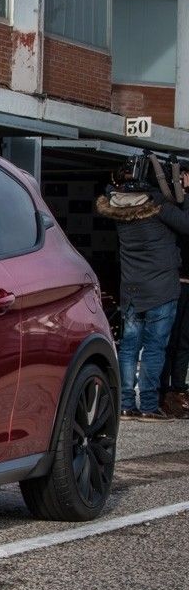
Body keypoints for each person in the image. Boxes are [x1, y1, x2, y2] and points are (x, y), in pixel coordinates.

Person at [95, 160, 187, 421]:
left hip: (132, 289)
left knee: (129, 347)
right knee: (155, 348)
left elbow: (109, 190)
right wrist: (184, 195)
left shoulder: (118, 206)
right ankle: (147, 405)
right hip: (161, 290)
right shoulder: (158, 205)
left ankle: (125, 404)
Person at [158, 166, 189, 417]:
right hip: (176, 280)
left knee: (185, 340)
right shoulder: (172, 205)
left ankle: (178, 388)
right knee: (169, 340)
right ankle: (163, 390)